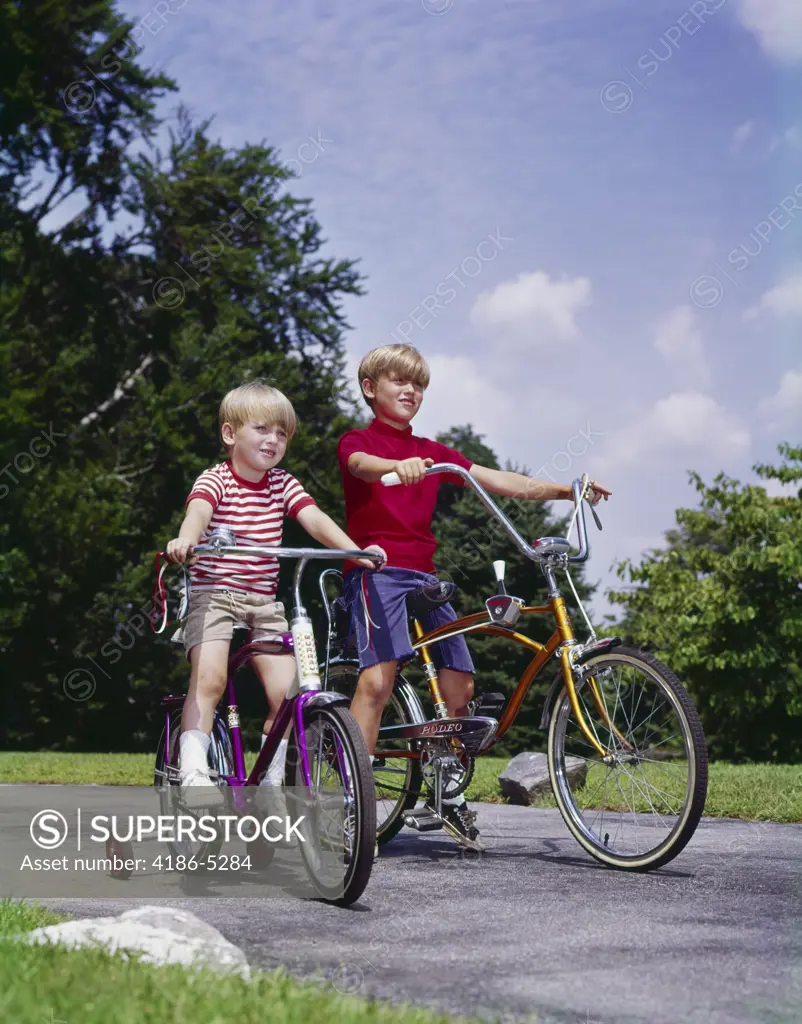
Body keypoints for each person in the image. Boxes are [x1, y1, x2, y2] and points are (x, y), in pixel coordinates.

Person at [337, 344, 611, 850]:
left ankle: (446, 790)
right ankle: (355, 805)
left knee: (460, 684)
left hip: (423, 576)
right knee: (377, 682)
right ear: (371, 388)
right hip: (376, 572)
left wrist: (565, 491)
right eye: (399, 381)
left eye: (418, 384)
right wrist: (399, 466)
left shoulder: (436, 452)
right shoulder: (360, 440)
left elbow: (502, 482)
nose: (410, 391)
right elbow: (360, 465)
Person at [166, 379, 385, 789]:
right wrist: (187, 540)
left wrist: (355, 551)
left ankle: (269, 779)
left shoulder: (282, 484)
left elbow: (315, 519)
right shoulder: (217, 480)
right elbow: (197, 513)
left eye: (282, 433)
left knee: (289, 695)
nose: (274, 440)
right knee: (210, 678)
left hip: (263, 601)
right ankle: (193, 770)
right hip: (214, 595)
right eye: (263, 429)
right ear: (230, 434)